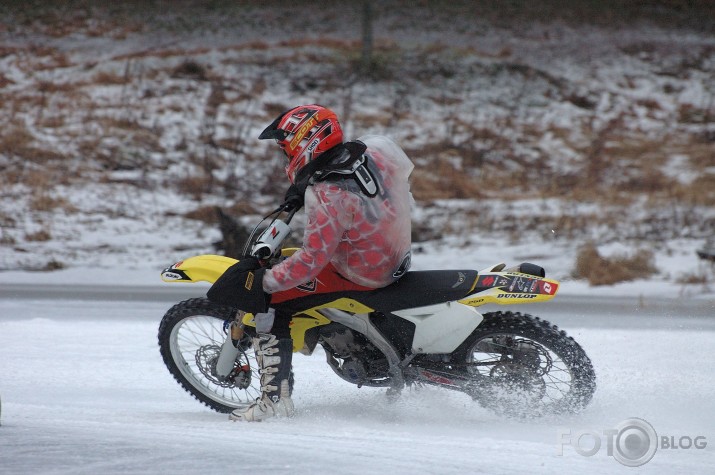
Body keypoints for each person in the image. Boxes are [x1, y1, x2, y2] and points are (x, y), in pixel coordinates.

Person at [207, 104, 414, 422]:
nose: (284, 153)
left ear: (306, 141)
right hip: (395, 253)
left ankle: (273, 401)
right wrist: (301, 190)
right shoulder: (376, 149)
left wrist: (263, 283)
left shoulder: (328, 193)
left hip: (361, 272)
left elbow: (311, 261)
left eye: (285, 146)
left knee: (272, 302)